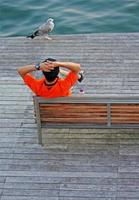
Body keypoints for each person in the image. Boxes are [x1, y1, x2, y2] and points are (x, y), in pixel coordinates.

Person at [17, 58, 83, 98]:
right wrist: (59, 64)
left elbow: (20, 71)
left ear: (43, 72)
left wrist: (38, 66)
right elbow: (77, 67)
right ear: (58, 72)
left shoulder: (37, 87)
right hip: (63, 113)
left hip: (45, 117)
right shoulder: (64, 86)